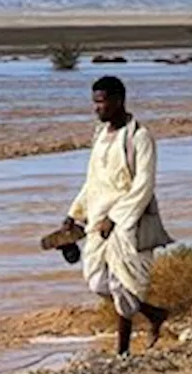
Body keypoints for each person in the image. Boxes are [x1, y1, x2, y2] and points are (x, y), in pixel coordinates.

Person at [64, 76, 170, 357]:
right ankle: (154, 314)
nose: (96, 108)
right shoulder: (100, 136)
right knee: (97, 280)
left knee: (122, 281)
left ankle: (122, 352)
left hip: (127, 221)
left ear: (118, 101)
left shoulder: (140, 137)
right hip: (97, 221)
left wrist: (118, 218)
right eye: (94, 102)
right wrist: (74, 213)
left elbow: (144, 185)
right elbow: (93, 181)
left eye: (101, 102)